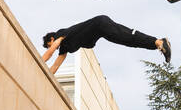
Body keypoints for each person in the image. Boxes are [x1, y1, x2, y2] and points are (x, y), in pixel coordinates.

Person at [42, 15, 171, 74]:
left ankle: (158, 41)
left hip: (101, 24)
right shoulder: (64, 49)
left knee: (127, 35)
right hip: (102, 31)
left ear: (52, 38)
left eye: (49, 44)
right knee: (128, 42)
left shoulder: (60, 33)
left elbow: (51, 51)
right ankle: (159, 45)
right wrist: (46, 76)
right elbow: (55, 65)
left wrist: (37, 62)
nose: (53, 47)